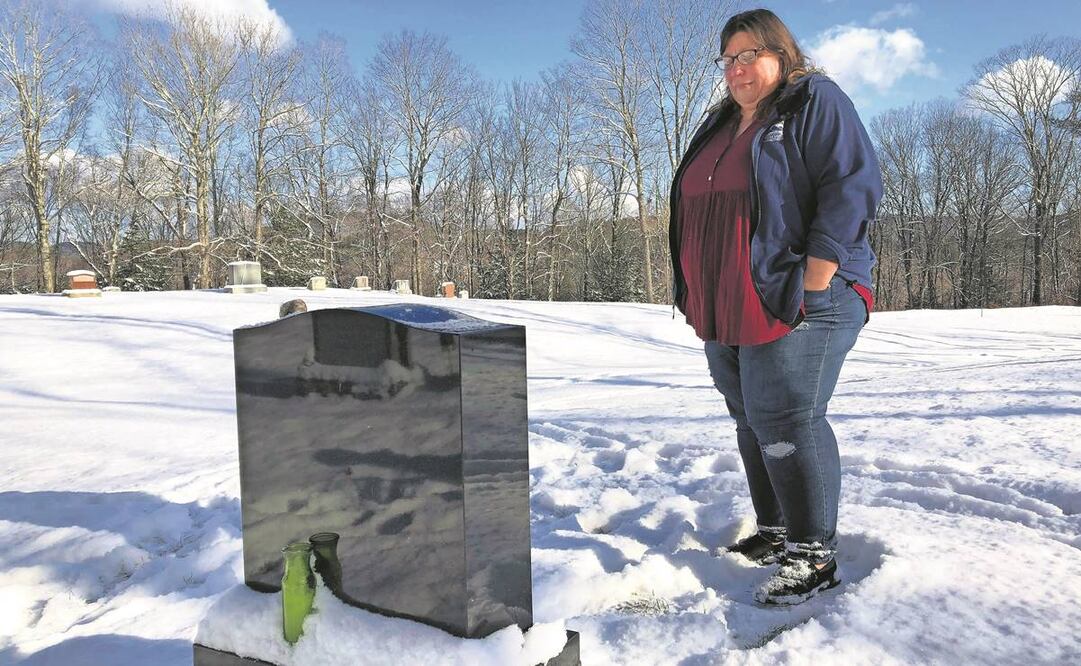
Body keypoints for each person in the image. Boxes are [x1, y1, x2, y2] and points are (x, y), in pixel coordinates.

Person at [668, 8, 882, 605]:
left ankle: (813, 554)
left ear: (781, 55)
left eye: (749, 55)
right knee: (750, 416)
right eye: (728, 59)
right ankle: (778, 528)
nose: (737, 69)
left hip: (802, 294)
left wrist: (817, 275)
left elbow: (853, 182)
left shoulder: (812, 100)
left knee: (786, 415)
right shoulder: (721, 123)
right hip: (730, 301)